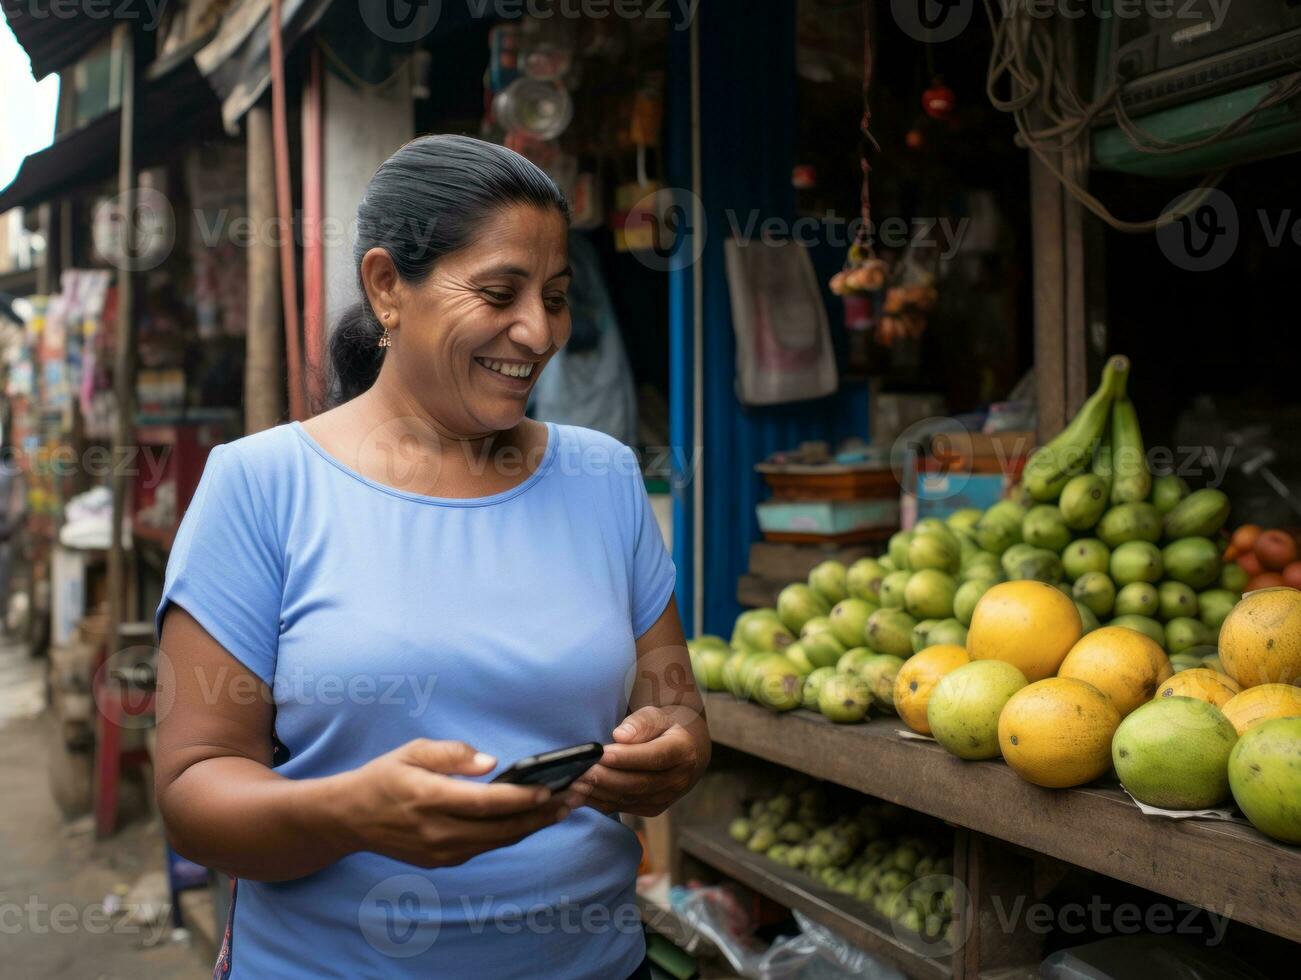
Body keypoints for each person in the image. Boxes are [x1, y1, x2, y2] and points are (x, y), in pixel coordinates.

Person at [153, 134, 709, 980]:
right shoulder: (260, 487)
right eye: (499, 292)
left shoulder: (603, 476)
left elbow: (678, 711)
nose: (538, 331)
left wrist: (668, 752)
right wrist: (351, 812)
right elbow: (193, 792)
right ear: (386, 286)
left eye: (555, 297)